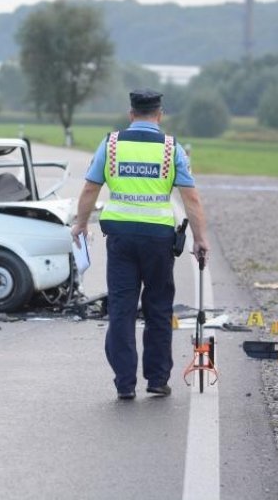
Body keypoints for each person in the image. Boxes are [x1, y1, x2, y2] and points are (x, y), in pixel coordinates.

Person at [70, 89, 209, 400]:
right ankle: (158, 380)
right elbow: (191, 197)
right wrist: (200, 239)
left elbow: (91, 188)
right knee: (158, 309)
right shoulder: (173, 149)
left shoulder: (112, 144)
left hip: (121, 239)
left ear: (131, 114)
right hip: (159, 239)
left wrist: (80, 223)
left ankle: (125, 383)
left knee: (121, 309)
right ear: (159, 116)